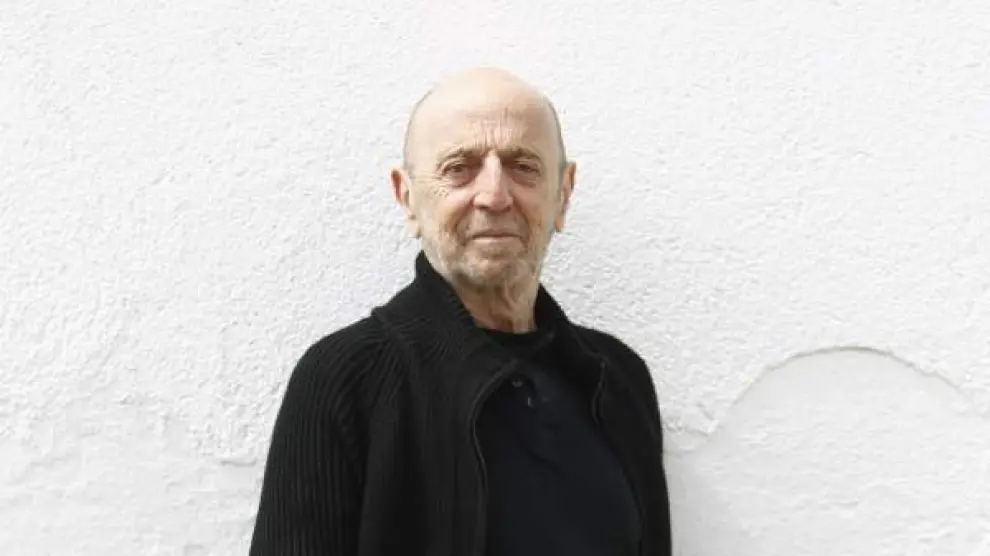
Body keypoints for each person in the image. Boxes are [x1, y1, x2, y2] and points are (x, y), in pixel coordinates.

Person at [248, 67, 672, 556]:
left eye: (523, 166)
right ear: (407, 196)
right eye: (459, 168)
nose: (494, 196)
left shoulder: (619, 379)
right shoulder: (343, 380)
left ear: (564, 192)